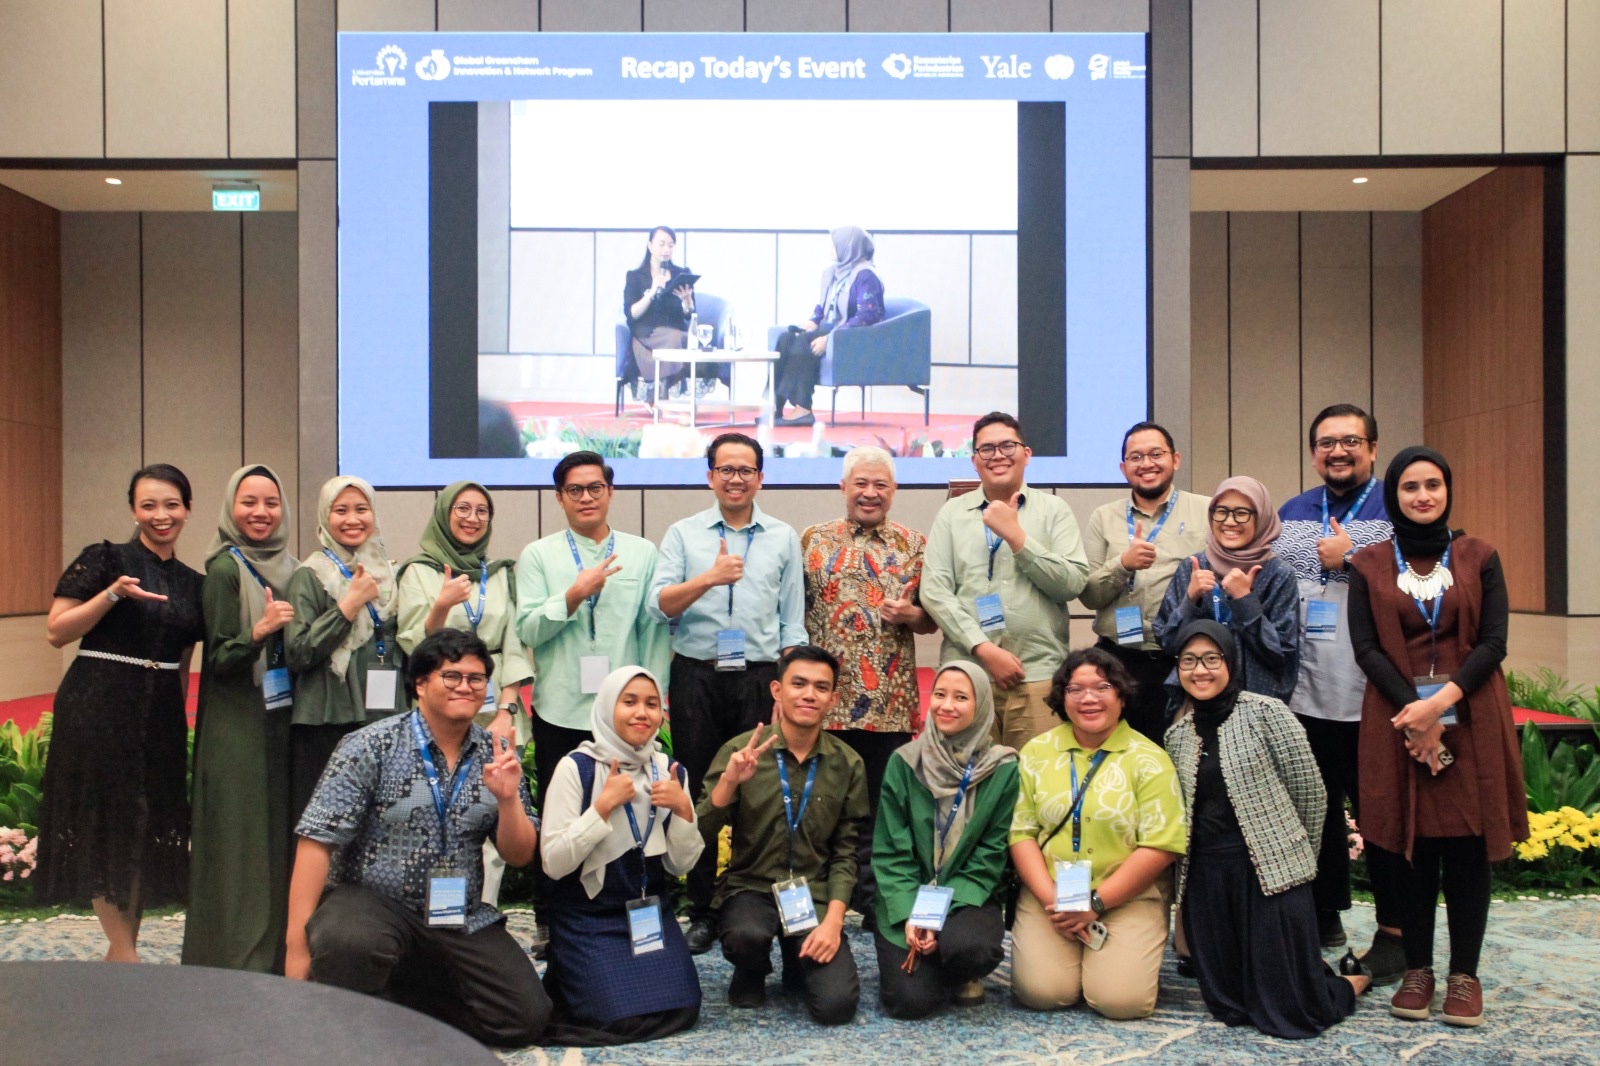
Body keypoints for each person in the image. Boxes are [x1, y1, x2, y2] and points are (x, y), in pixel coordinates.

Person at [285, 629, 550, 1048]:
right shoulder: (369, 746)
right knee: (349, 943)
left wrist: (507, 801)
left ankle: (399, 1006)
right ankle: (354, 1019)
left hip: (456, 913)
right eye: (452, 676)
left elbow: (519, 855)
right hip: (372, 904)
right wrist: (295, 948)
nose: (466, 686)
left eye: (477, 678)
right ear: (421, 684)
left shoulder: (496, 755)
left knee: (523, 1016)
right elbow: (316, 841)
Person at [1348, 446, 1526, 1028]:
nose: (1422, 496)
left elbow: (1493, 643)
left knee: (1468, 847)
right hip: (1397, 721)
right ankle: (1419, 969)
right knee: (1414, 846)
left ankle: (1464, 975)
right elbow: (1367, 648)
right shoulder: (1369, 563)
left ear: (1447, 490)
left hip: (1471, 717)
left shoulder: (1480, 556)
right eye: (1409, 488)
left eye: (1432, 485)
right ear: (1393, 496)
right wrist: (1415, 713)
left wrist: (1442, 703)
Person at [1164, 620, 1367, 1039]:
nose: (1200, 670)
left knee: (1293, 1014)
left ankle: (1349, 982)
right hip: (1208, 876)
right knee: (1229, 1005)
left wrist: (1296, 863)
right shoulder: (1176, 735)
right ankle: (1306, 970)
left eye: (1211, 659)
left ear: (1230, 662)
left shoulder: (1267, 713)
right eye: (1189, 661)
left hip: (1268, 871)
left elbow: (1311, 795)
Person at [35, 464, 205, 963]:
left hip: (160, 716)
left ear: (188, 509)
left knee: (142, 826)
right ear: (133, 509)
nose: (161, 515)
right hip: (98, 703)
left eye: (171, 504)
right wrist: (111, 595)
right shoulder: (105, 558)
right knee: (104, 824)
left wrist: (178, 718)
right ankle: (126, 955)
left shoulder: (194, 583)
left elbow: (183, 660)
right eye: (148, 505)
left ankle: (120, 953)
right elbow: (57, 631)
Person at [648, 432, 807, 954]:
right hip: (697, 675)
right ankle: (700, 908)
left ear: (761, 477)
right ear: (710, 475)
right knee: (698, 790)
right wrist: (709, 579)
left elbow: (793, 622)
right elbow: (660, 605)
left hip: (759, 677)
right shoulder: (683, 534)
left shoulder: (783, 536)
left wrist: (786, 687)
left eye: (746, 470)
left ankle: (746, 900)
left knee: (756, 791)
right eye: (725, 469)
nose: (735, 478)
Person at [516, 451, 670, 947]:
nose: (586, 497)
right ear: (559, 498)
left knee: (634, 811)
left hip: (626, 716)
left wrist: (655, 701)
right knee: (561, 814)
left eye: (595, 487)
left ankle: (631, 908)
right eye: (575, 490)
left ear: (610, 492)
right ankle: (551, 918)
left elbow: (653, 631)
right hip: (561, 706)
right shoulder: (539, 555)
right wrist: (573, 594)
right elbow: (527, 629)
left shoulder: (642, 552)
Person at [1275, 403, 1406, 976]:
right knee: (1314, 809)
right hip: (1307, 690)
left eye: (1351, 441)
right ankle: (1324, 909)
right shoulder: (1294, 511)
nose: (1338, 451)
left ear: (1373, 449)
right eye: (1326, 442)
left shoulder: (1396, 505)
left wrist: (1351, 558)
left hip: (1373, 695)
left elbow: (1415, 583)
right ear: (1312, 453)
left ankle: (1396, 929)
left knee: (1380, 815)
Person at [1007, 647, 1187, 1019]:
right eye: (1076, 689)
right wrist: (1052, 900)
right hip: (1051, 893)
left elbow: (1161, 845)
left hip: (1127, 897)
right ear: (1062, 697)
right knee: (1042, 992)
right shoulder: (1036, 752)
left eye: (1102, 687)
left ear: (1121, 694)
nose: (1088, 698)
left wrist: (1095, 904)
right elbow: (1021, 831)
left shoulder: (1150, 759)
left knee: (1120, 1002)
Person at [800, 446, 937, 919]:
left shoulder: (914, 544)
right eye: (861, 483)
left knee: (882, 807)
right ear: (843, 487)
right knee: (823, 804)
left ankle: (875, 899)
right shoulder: (812, 540)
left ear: (894, 491)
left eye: (881, 484)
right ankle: (824, 895)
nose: (870, 493)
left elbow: (930, 623)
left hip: (889, 702)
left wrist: (911, 614)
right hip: (824, 704)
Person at [696, 646, 869, 1024]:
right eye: (799, 684)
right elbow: (698, 836)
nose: (809, 694)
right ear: (777, 690)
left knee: (836, 1007)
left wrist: (834, 922)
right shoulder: (742, 751)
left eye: (821, 688)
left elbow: (846, 853)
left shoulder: (848, 764)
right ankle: (752, 969)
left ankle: (797, 957)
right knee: (746, 936)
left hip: (813, 894)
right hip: (751, 888)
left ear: (832, 699)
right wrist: (729, 782)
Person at [538, 666, 702, 1046]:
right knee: (617, 1019)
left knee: (683, 1007)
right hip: (587, 914)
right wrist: (601, 809)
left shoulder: (668, 770)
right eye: (629, 702)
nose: (642, 713)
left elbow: (680, 866)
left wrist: (683, 813)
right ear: (607, 707)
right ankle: (569, 976)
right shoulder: (575, 768)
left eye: (651, 703)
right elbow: (554, 862)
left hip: (648, 910)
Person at [183, 464, 299, 972]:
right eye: (248, 502)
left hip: (279, 721)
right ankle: (233, 961)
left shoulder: (293, 568)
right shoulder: (224, 569)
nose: (260, 512)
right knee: (241, 845)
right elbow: (219, 660)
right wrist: (259, 631)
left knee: (275, 842)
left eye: (270, 502)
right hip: (236, 727)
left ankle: (271, 954)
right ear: (231, 506)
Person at [398, 481, 533, 907]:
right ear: (443, 512)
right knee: (433, 806)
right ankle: (423, 910)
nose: (472, 518)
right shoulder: (418, 571)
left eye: (481, 511)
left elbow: (514, 643)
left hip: (494, 706)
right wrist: (441, 605)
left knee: (495, 805)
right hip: (439, 702)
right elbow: (415, 646)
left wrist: (508, 709)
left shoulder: (501, 574)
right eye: (462, 508)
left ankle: (484, 910)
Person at [922, 411, 1090, 749]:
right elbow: (934, 591)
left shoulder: (1054, 510)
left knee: (1035, 787)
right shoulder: (952, 514)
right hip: (968, 675)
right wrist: (983, 649)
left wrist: (1018, 538)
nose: (997, 455)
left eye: (1007, 446)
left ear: (1026, 454)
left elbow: (1072, 584)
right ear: (974, 460)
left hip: (1038, 675)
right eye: (987, 449)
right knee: (967, 786)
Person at [871, 661, 1018, 1018]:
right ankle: (930, 965)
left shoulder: (1003, 769)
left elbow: (991, 855)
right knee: (911, 1004)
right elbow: (891, 850)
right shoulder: (904, 762)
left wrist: (937, 917)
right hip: (906, 894)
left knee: (972, 949)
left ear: (981, 704)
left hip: (968, 894)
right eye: (939, 694)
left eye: (961, 697)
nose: (946, 705)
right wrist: (912, 912)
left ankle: (955, 964)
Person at [1078, 422, 1210, 741]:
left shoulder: (1206, 510)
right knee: (1114, 754)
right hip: (1118, 658)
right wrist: (1123, 564)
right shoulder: (1104, 517)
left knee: (1180, 754)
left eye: (1156, 454)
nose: (1147, 463)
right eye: (1136, 457)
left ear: (1175, 459)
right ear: (1124, 467)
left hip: (1181, 658)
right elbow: (1089, 596)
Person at [284, 476, 404, 823]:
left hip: (384, 715)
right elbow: (298, 651)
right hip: (328, 718)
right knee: (327, 825)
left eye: (361, 509)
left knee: (379, 823)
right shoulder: (310, 575)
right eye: (341, 510)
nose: (352, 519)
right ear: (325, 516)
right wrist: (347, 606)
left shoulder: (390, 573)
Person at [1154, 476, 1299, 703]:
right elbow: (1168, 642)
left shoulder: (1278, 573)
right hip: (1197, 700)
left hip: (1256, 702)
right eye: (1220, 511)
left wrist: (1245, 601)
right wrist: (1190, 601)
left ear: (1261, 518)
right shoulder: (1194, 567)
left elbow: (1281, 654)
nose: (1229, 522)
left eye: (1241, 513)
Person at [773, 225, 886, 427]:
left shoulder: (866, 276)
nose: (830, 250)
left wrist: (831, 338)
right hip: (831, 326)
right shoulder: (833, 273)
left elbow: (868, 316)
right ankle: (775, 405)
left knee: (804, 343)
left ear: (848, 247)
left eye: (835, 245)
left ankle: (803, 408)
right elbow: (824, 306)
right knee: (785, 338)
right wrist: (814, 320)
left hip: (852, 335)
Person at [622, 224, 696, 405]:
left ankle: (658, 389)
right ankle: (660, 390)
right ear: (650, 246)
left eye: (671, 245)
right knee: (677, 339)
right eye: (661, 244)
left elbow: (690, 315)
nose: (666, 249)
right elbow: (632, 314)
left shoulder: (682, 273)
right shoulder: (635, 276)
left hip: (675, 331)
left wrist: (687, 301)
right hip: (647, 334)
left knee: (685, 340)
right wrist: (652, 291)